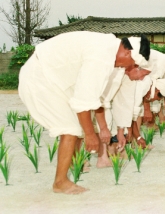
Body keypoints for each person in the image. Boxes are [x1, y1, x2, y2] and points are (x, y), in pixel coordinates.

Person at [18, 31, 151, 194]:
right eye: (129, 63)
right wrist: (90, 134)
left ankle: (65, 175)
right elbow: (83, 102)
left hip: (52, 79)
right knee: (71, 129)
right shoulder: (102, 56)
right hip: (40, 78)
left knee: (73, 128)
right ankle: (60, 182)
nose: (125, 67)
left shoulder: (107, 48)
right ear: (127, 51)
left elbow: (96, 99)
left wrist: (102, 128)